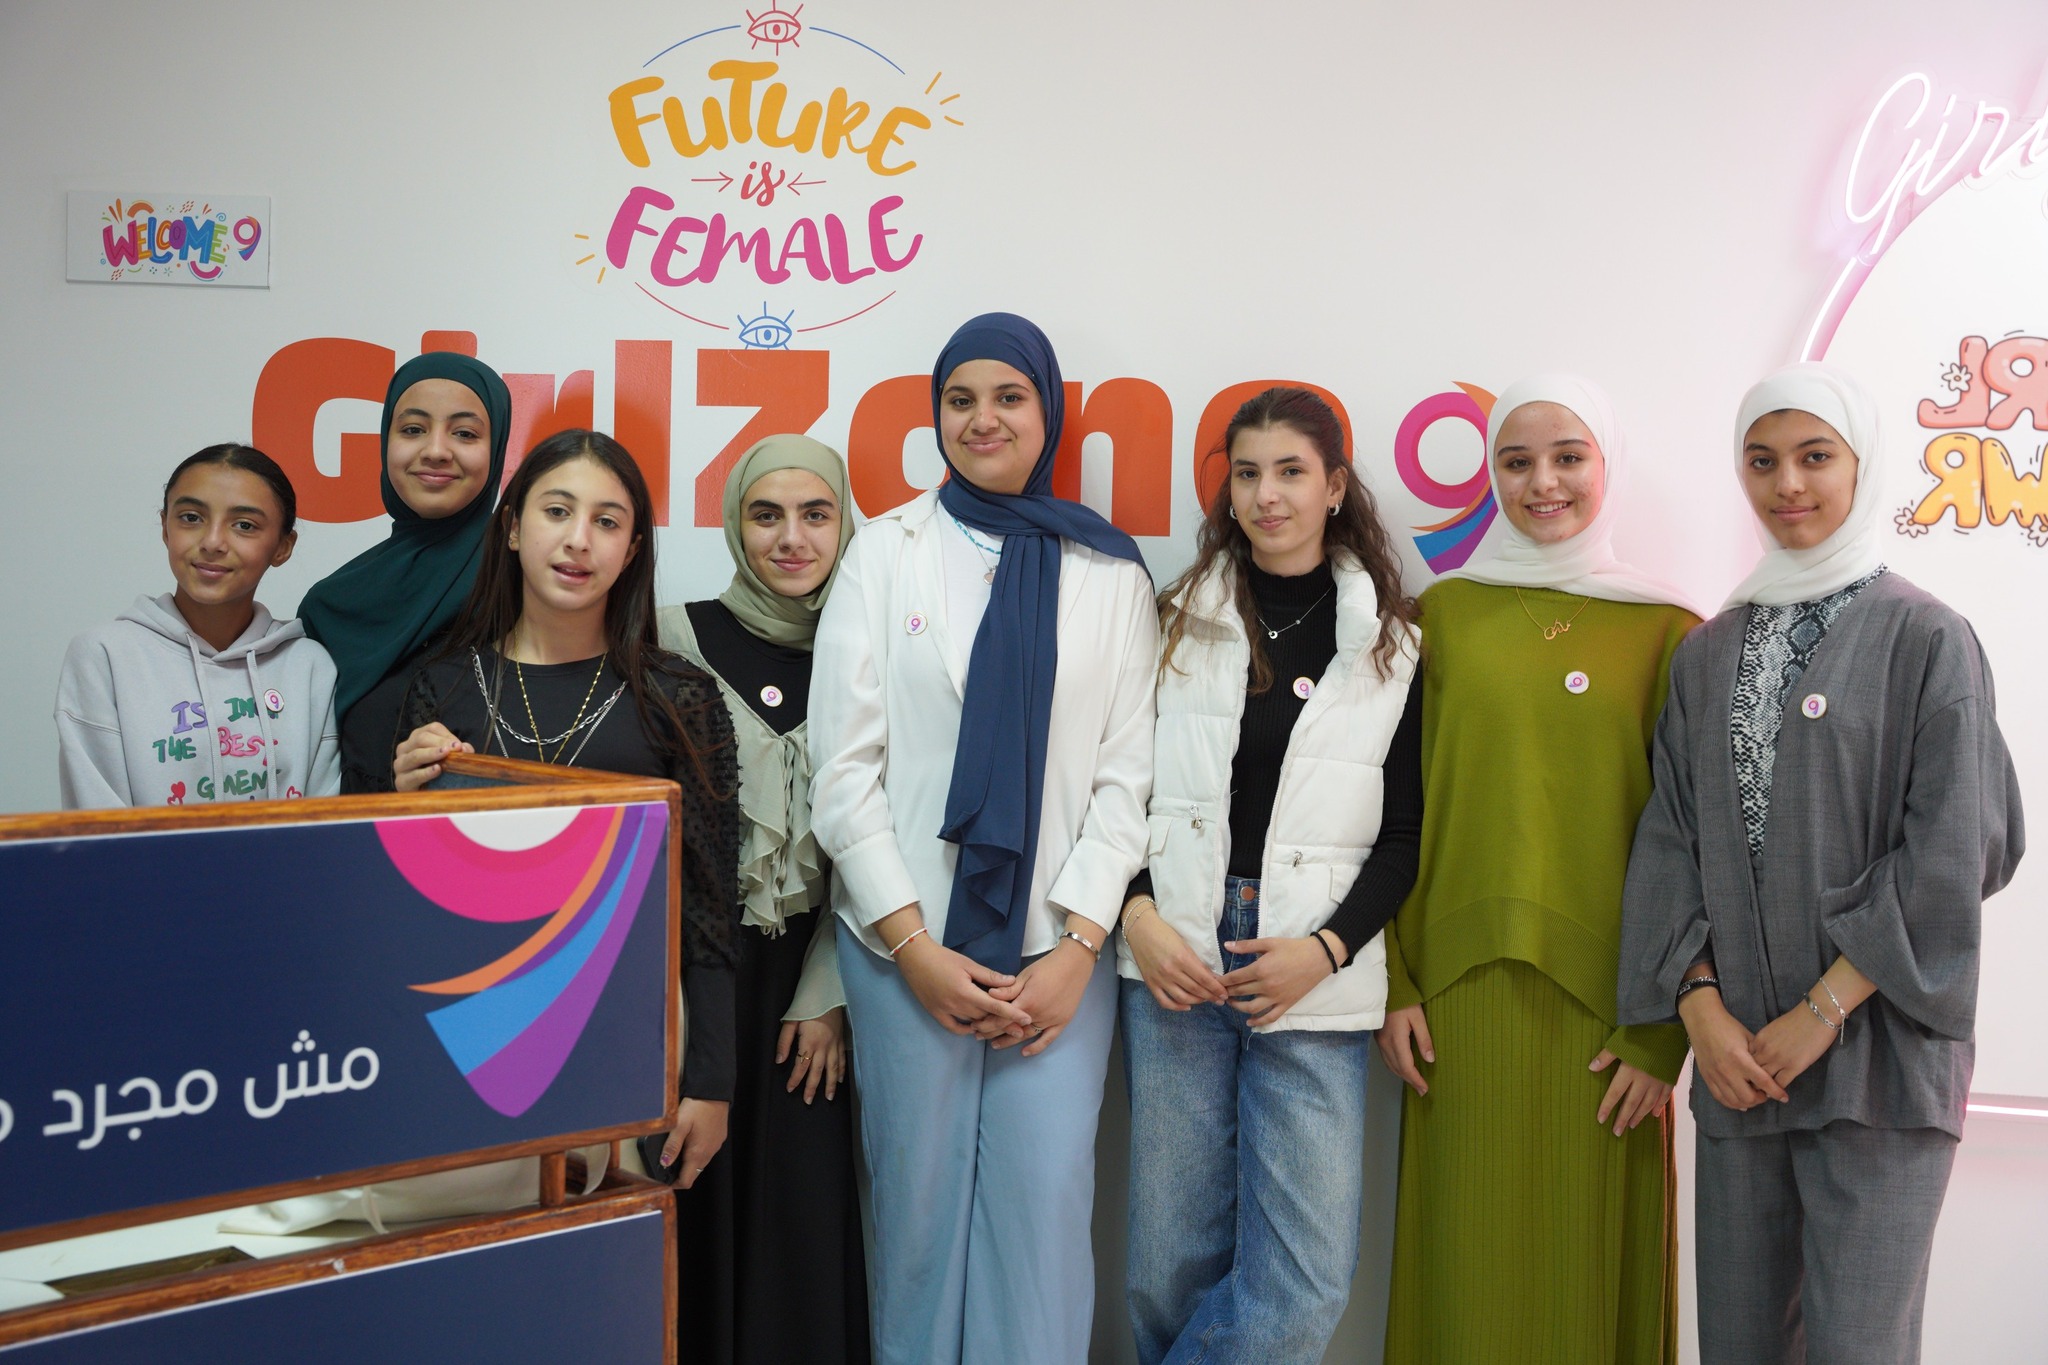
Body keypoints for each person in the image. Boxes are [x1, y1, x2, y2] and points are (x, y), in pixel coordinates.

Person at [1617, 362, 2023, 1365]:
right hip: (1740, 1066)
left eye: (1813, 457)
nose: (1786, 484)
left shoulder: (1927, 638)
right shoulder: (1708, 653)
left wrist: (1822, 1009)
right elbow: (1670, 840)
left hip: (1878, 1068)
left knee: (1857, 1346)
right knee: (1740, 1342)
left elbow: (1959, 844)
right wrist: (1699, 1011)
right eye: (1761, 462)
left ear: (1861, 466)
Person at [808, 313, 1157, 1365]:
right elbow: (843, 771)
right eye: (959, 400)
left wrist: (1078, 948)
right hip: (902, 949)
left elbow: (1126, 778)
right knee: (913, 1225)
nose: (982, 419)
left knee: (1042, 1220)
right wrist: (912, 945)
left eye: (1008, 397)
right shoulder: (884, 553)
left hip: (1057, 955)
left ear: (1047, 413)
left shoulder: (1110, 571)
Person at [1377, 376, 1702, 1363]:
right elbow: (1386, 811)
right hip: (1454, 1002)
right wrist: (1392, 982)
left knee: (1584, 1279)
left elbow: (1695, 848)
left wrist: (1661, 1033)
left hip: (1613, 1012)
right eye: (1515, 462)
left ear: (1607, 464)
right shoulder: (1439, 617)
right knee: (1464, 1276)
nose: (1542, 482)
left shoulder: (1669, 632)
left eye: (1568, 456)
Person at [1118, 387, 1422, 1363]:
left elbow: (1406, 836)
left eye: (1291, 471)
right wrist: (1136, 916)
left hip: (1312, 966)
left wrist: (1325, 950)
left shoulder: (1393, 642)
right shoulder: (1171, 620)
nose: (1267, 495)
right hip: (1176, 956)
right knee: (1168, 1263)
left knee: (1304, 1280)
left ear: (1335, 486)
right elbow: (1112, 788)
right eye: (1247, 474)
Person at [391, 428, 741, 1191]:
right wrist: (403, 806)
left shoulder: (679, 698)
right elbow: (410, 909)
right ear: (514, 527)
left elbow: (710, 907)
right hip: (471, 1038)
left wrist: (712, 1081)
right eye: (557, 511)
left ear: (632, 549)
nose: (579, 539)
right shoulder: (444, 688)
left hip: (628, 1042)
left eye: (607, 521)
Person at [655, 433, 869, 1365]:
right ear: (735, 525)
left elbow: (885, 834)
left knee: (798, 1216)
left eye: (816, 514)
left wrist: (830, 992)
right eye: (766, 514)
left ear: (845, 522)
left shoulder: (870, 649)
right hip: (690, 972)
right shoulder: (671, 635)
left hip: (814, 981)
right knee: (686, 1194)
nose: (792, 538)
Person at [56, 443, 339, 808]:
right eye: (191, 518)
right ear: (165, 527)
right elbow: (97, 822)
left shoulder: (310, 666)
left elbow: (324, 819)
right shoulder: (104, 656)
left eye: (244, 525)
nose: (212, 542)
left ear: (283, 546)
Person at [298, 351, 512, 793]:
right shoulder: (332, 606)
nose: (435, 451)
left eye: (465, 433)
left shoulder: (526, 585)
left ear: (496, 449)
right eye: (413, 429)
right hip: (359, 832)